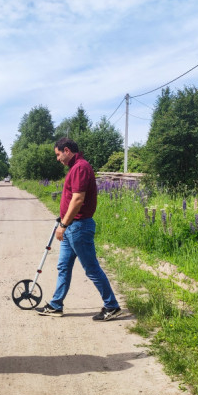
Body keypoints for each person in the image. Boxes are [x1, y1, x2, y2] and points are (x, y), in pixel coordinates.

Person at [36, 137, 122, 321]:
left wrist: (64, 225)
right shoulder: (76, 168)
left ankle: (112, 306)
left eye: (58, 155)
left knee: (91, 268)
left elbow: (77, 199)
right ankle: (56, 304)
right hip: (71, 227)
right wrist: (63, 222)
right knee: (63, 267)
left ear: (67, 150)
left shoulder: (80, 167)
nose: (57, 159)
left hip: (78, 227)